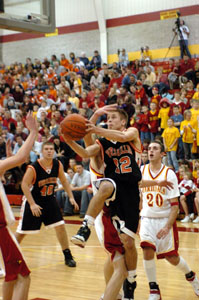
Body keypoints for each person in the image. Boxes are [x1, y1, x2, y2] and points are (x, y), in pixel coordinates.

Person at [63, 106, 173, 300]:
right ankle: (85, 227)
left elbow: (122, 138)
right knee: (105, 186)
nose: (110, 120)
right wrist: (69, 139)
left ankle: (131, 280)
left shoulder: (132, 133)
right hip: (113, 188)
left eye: (113, 118)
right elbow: (85, 152)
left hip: (130, 193)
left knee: (129, 243)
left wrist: (96, 127)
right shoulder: (102, 142)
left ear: (123, 122)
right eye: (108, 118)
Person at [140, 140, 199, 300]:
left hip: (164, 219)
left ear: (162, 154)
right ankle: (154, 289)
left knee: (172, 258)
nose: (150, 151)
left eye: (155, 148)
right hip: (146, 219)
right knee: (147, 249)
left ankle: (192, 277)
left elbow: (175, 206)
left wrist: (167, 226)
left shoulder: (169, 174)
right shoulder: (142, 170)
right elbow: (139, 197)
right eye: (149, 148)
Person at [15, 141, 78, 268]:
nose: (49, 151)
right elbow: (24, 185)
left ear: (54, 151)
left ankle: (67, 255)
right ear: (42, 151)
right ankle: (11, 255)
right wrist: (32, 204)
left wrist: (71, 197)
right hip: (34, 201)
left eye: (51, 149)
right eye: (46, 149)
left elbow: (64, 181)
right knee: (22, 232)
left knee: (60, 226)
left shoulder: (57, 164)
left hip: (49, 200)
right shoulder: (34, 167)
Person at [0, 112, 37, 300]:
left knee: (11, 275)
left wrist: (7, 161)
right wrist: (33, 132)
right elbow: (22, 157)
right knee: (23, 276)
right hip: (1, 232)